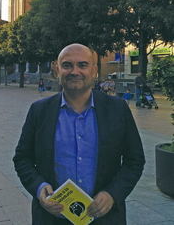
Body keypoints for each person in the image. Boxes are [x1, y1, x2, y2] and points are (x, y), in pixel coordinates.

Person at [13, 44, 145, 225]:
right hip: (52, 218)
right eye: (67, 65)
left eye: (82, 65)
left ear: (94, 70)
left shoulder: (118, 109)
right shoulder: (39, 111)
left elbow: (134, 160)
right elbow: (22, 158)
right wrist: (39, 188)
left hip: (104, 218)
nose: (75, 71)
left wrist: (113, 194)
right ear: (57, 69)